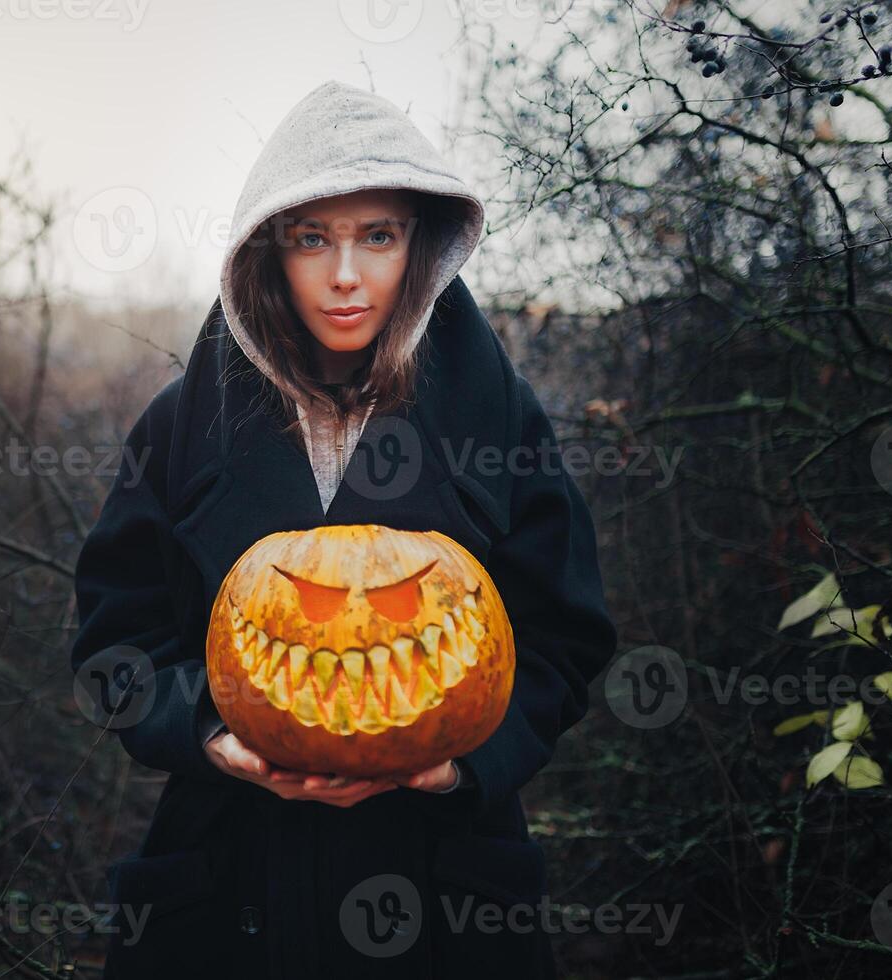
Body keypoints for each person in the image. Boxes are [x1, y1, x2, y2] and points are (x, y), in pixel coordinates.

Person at [70, 79, 618, 979]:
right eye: (312, 238)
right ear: (269, 252)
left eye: (379, 236)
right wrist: (210, 732)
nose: (346, 275)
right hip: (230, 882)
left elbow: (566, 637)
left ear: (423, 245)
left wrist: (464, 765)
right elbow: (111, 648)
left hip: (444, 887)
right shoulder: (181, 426)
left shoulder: (498, 418)